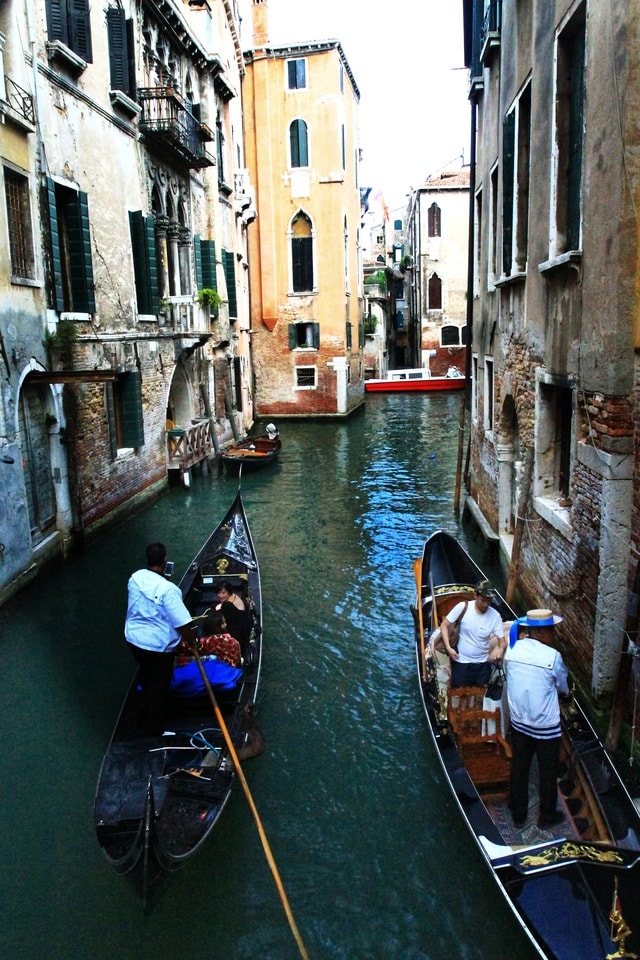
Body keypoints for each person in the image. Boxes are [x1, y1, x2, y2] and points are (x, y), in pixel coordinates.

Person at [504, 608, 570, 830]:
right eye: (552, 630)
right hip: (545, 728)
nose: (554, 634)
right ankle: (546, 817)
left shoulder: (511, 650)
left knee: (520, 768)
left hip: (519, 722)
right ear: (541, 633)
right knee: (548, 772)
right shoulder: (553, 657)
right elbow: (563, 686)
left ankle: (518, 814)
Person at [125, 542, 195, 735]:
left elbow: (133, 608)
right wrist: (192, 640)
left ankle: (143, 711)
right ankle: (155, 731)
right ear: (165, 560)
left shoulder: (135, 579)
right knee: (159, 687)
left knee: (147, 677)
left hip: (134, 642)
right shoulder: (168, 589)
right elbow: (182, 624)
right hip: (157, 648)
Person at [441, 579, 505, 688]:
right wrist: (448, 648)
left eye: (489, 601)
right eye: (483, 600)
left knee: (480, 695)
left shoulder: (495, 616)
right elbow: (444, 626)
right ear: (475, 595)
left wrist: (500, 651)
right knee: (462, 696)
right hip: (462, 661)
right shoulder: (462, 607)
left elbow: (502, 642)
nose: (486, 604)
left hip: (482, 663)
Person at [215, 580, 249, 646]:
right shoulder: (234, 596)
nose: (220, 595)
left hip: (237, 636)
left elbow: (224, 626)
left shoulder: (227, 605)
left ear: (229, 592)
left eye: (223, 593)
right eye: (218, 593)